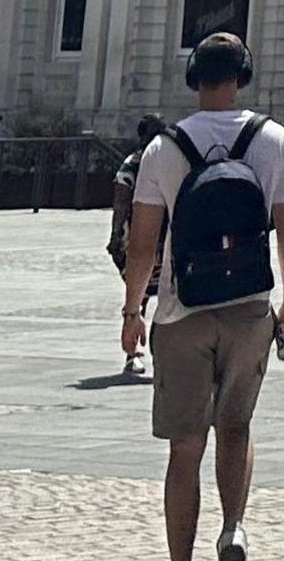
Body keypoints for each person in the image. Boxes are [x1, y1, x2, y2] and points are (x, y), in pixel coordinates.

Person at [120, 33, 284, 561]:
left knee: (185, 446)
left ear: (192, 78)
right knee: (236, 425)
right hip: (250, 305)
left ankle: (181, 556)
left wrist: (134, 309)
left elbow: (142, 243)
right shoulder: (273, 140)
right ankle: (234, 526)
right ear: (243, 76)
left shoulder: (163, 148)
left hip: (182, 310)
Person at [110, 116, 169, 377]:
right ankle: (132, 353)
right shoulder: (134, 165)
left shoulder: (160, 161)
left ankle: (155, 354)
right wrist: (116, 236)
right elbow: (121, 202)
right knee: (139, 298)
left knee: (156, 298)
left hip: (165, 242)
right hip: (140, 241)